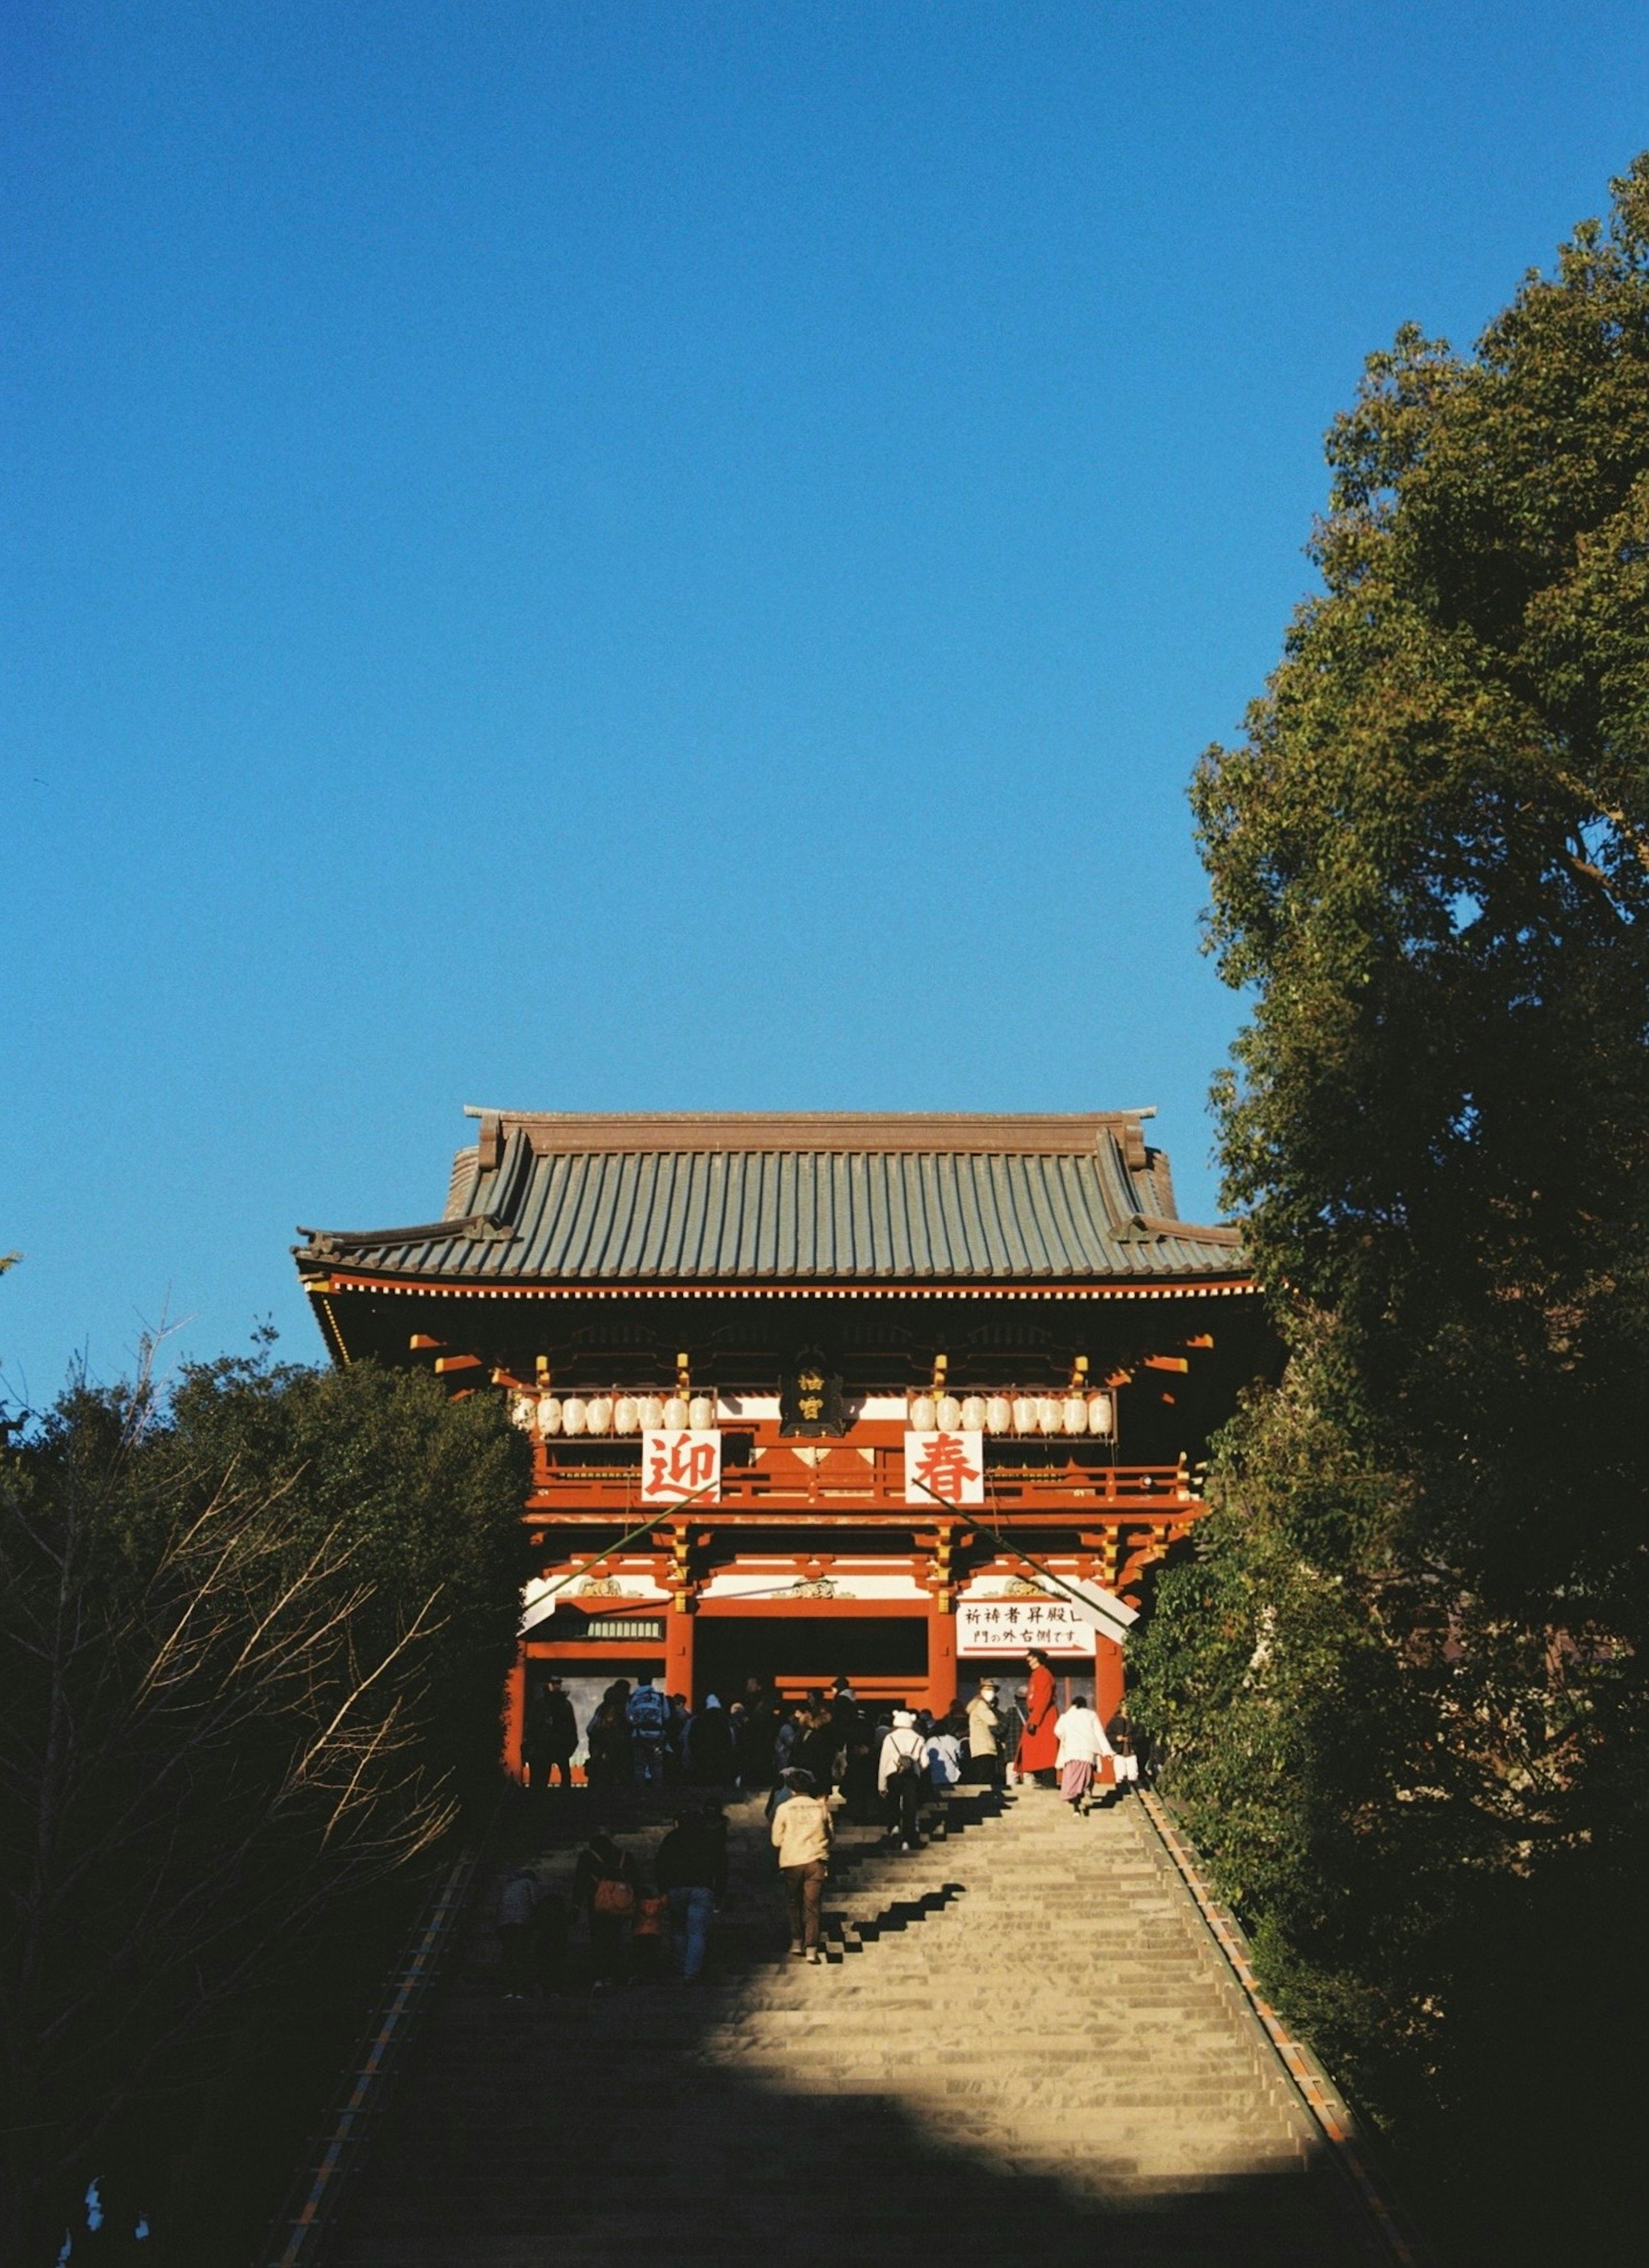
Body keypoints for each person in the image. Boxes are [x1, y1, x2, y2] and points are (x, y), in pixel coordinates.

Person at [770, 1766, 833, 1962]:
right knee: (813, 1906)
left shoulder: (784, 1809)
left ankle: (797, 1940)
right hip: (816, 1860)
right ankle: (812, 1947)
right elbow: (831, 1837)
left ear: (792, 1790)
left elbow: (776, 1840)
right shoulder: (821, 1808)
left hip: (792, 1861)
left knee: (793, 1902)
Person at [656, 1803, 721, 1983]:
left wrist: (663, 1890)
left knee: (678, 1929)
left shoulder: (672, 1838)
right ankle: (691, 1972)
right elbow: (721, 1866)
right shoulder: (709, 1838)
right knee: (697, 1932)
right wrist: (719, 1892)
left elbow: (661, 1865)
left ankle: (679, 1964)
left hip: (676, 1888)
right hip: (702, 1888)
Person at [573, 1833, 639, 1990]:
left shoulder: (588, 1857)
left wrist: (576, 1904)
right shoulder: (624, 1856)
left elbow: (580, 1880)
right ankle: (614, 1972)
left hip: (598, 1904)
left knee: (599, 1939)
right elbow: (636, 1878)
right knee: (614, 1937)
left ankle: (602, 1975)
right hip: (620, 1903)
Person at [1053, 1690, 1113, 1812]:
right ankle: (1086, 1795)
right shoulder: (1092, 1715)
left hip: (1072, 1752)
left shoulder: (1066, 1717)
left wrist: (1067, 1738)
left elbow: (1058, 1731)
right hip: (1088, 1752)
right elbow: (1099, 1734)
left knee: (1073, 1779)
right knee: (1085, 1778)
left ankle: (1076, 1807)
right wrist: (1108, 1751)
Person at [878, 1708, 928, 1851]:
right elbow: (925, 1763)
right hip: (911, 1776)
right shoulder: (919, 1738)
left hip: (893, 1774)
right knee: (910, 1806)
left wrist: (882, 1786)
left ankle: (894, 1827)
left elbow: (884, 1762)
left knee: (893, 1800)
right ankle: (908, 1838)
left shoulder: (890, 1738)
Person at [1016, 1649, 1060, 1784]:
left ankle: (1047, 1781)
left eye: (1030, 1657)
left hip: (1044, 1717)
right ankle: (1041, 1778)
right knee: (1038, 1752)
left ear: (1036, 1658)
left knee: (1046, 1753)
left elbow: (1043, 1700)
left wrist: (1035, 1720)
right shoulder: (1038, 1674)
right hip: (1039, 1715)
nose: (1028, 1660)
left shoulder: (1044, 1675)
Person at [497, 1863, 538, 1998]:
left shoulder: (508, 1885)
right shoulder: (529, 1883)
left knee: (509, 1956)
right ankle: (520, 1990)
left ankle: (508, 1989)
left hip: (505, 1924)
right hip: (522, 1923)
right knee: (521, 1955)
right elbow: (535, 1902)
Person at [626, 1674, 671, 1788]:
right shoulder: (660, 1697)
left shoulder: (632, 1698)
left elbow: (629, 1717)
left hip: (639, 1734)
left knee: (639, 1765)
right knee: (657, 1765)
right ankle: (657, 1792)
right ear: (651, 1682)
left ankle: (640, 1793)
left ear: (638, 1682)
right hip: (656, 1735)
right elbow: (667, 1715)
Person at [686, 1693, 735, 1785]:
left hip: (702, 1755)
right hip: (721, 1756)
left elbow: (689, 1738)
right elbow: (732, 1739)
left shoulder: (697, 1721)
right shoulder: (725, 1721)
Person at [965, 1680, 1004, 1787]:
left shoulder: (977, 1706)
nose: (991, 1692)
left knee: (982, 1776)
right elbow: (993, 1721)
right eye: (988, 1689)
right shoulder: (982, 1706)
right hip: (985, 1747)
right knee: (986, 1778)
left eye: (992, 1690)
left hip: (978, 1747)